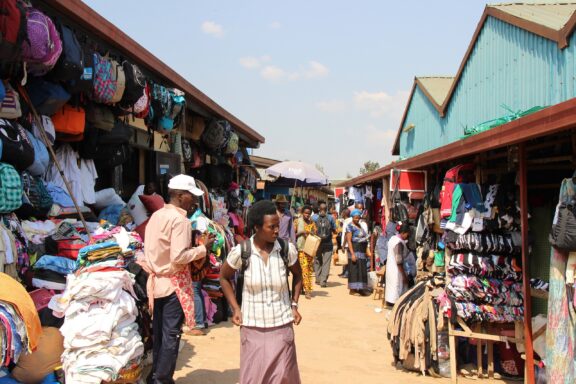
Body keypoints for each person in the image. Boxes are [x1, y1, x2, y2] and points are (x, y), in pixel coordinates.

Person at [220, 200, 303, 384]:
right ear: (257, 227)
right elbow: (224, 277)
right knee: (254, 377)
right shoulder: (242, 251)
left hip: (281, 325)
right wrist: (235, 308)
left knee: (283, 376)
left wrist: (294, 304)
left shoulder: (286, 250)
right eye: (271, 227)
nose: (276, 231)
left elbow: (298, 276)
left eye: (278, 226)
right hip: (252, 326)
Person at [144, 174, 215, 384]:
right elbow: (178, 257)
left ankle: (156, 375)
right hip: (173, 284)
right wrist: (202, 249)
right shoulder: (180, 221)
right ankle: (162, 379)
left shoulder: (156, 216)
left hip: (157, 282)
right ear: (180, 195)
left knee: (160, 334)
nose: (194, 200)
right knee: (171, 336)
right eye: (191, 196)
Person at [346, 209, 371, 296]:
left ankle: (361, 288)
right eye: (355, 218)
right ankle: (353, 289)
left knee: (362, 269)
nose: (357, 219)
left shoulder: (360, 226)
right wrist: (352, 254)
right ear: (352, 217)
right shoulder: (349, 227)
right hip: (355, 249)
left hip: (362, 250)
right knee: (354, 269)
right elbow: (349, 241)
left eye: (358, 218)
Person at [385, 222, 411, 307]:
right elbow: (399, 261)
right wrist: (404, 275)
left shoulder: (392, 238)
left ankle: (390, 303)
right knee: (396, 287)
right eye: (407, 234)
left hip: (390, 267)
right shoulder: (398, 243)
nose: (407, 236)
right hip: (396, 269)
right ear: (403, 233)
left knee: (391, 287)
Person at [313, 201, 336, 287]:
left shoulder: (314, 218)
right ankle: (323, 281)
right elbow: (335, 230)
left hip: (317, 243)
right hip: (328, 243)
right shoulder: (330, 218)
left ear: (319, 209)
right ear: (326, 209)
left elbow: (312, 230)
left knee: (317, 261)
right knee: (326, 262)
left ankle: (318, 279)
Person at [295, 205, 317, 299]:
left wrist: (312, 233)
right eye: (306, 213)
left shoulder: (312, 223)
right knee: (304, 270)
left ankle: (303, 288)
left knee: (308, 270)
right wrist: (301, 233)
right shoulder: (297, 221)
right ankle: (308, 290)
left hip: (309, 249)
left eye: (309, 213)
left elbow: (316, 234)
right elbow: (293, 235)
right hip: (301, 249)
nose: (307, 215)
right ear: (302, 213)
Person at [337, 209, 351, 278]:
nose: (341, 214)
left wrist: (343, 244)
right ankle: (344, 272)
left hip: (347, 243)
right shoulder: (345, 221)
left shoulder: (348, 221)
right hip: (345, 243)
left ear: (345, 214)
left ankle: (347, 273)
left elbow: (346, 233)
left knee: (347, 259)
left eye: (342, 213)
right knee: (344, 258)